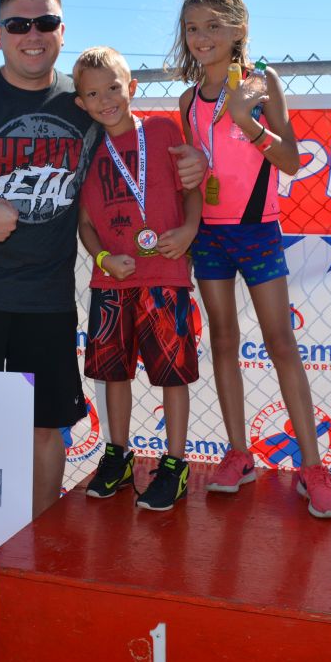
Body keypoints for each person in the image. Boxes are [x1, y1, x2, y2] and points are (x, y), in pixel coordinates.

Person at [0, 0, 206, 518]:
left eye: (45, 22)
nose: (32, 35)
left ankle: (33, 541)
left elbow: (140, 144)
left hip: (46, 301)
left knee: (45, 429)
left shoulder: (83, 100)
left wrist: (195, 164)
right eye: (18, 24)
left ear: (62, 32)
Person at [169, 0, 331, 518]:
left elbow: (291, 161)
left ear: (239, 29)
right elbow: (195, 178)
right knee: (223, 340)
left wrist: (247, 122)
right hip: (210, 237)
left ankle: (312, 467)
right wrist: (191, 213)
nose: (201, 37)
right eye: (192, 28)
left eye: (212, 26)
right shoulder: (187, 100)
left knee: (280, 342)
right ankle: (239, 453)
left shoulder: (262, 84)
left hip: (258, 231)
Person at [72, 47, 202, 511]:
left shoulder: (163, 130)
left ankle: (175, 463)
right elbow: (85, 224)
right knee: (113, 373)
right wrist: (104, 258)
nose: (105, 100)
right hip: (112, 282)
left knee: (172, 374)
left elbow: (193, 189)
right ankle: (118, 455)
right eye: (92, 94)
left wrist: (188, 231)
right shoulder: (86, 151)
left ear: (131, 87)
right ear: (81, 103)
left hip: (165, 273)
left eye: (113, 88)